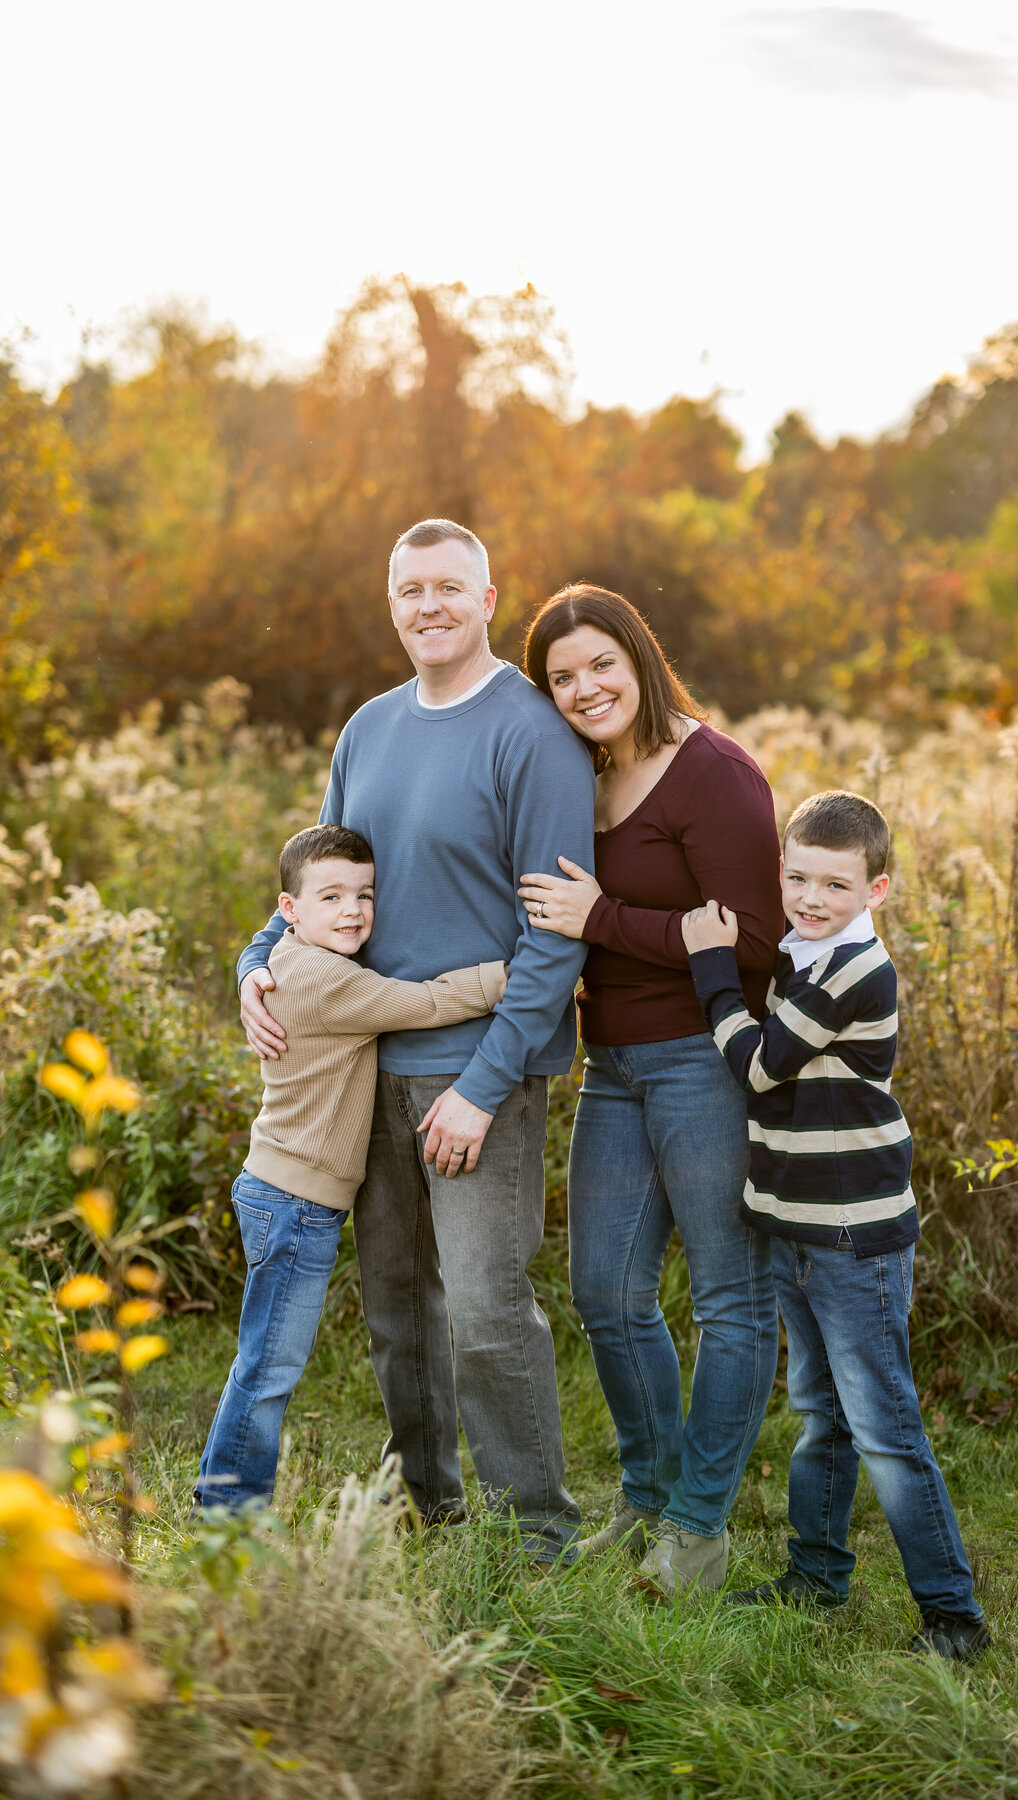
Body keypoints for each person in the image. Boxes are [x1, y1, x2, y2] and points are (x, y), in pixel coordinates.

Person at [237, 520, 596, 1559]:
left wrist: (485, 1085)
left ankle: (540, 1534)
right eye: (409, 590)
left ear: (488, 599)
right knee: (396, 1305)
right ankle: (430, 1504)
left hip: (478, 1072)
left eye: (448, 586)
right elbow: (316, 880)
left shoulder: (531, 735)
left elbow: (554, 937)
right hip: (364, 1071)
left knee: (485, 1308)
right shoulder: (369, 728)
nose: (427, 606)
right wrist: (254, 965)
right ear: (391, 604)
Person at [680, 789, 990, 1660]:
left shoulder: (857, 969)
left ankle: (952, 1615)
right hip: (795, 1226)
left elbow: (763, 1066)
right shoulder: (801, 952)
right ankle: (817, 1576)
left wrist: (709, 966)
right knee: (820, 1414)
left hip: (856, 1237)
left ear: (877, 891)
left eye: (837, 885)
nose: (813, 898)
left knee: (885, 1428)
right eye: (799, 877)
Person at [519, 585, 783, 1593]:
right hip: (613, 1067)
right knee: (607, 1294)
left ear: (638, 657)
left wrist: (604, 919)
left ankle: (700, 1532)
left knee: (730, 1299)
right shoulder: (573, 776)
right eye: (562, 677)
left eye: (600, 665)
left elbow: (755, 941)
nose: (585, 689)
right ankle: (649, 1498)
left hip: (706, 1063)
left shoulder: (711, 774)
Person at [196, 824, 507, 1513]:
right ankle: (226, 1515)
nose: (352, 911)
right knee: (270, 1367)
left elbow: (288, 951)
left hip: (281, 1190)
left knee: (261, 1359)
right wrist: (512, 976)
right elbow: (426, 1003)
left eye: (365, 894)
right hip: (294, 1202)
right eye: (330, 896)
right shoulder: (326, 979)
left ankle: (220, 1503)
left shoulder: (289, 957)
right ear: (289, 908)